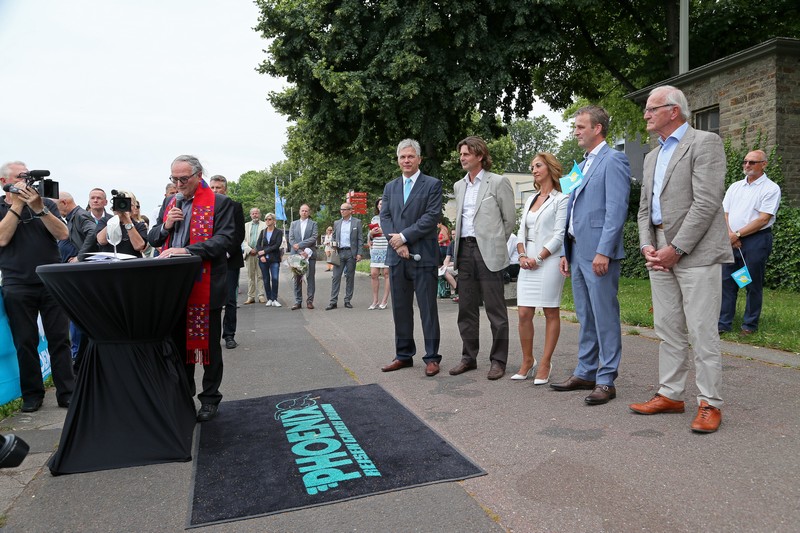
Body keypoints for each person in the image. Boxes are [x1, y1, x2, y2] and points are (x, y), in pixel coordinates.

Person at [629, 85, 732, 434]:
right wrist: (648, 245)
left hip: (696, 253)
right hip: (659, 251)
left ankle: (709, 403)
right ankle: (671, 394)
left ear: (673, 110)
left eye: (651, 108)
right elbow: (645, 209)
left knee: (702, 331)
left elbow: (706, 202)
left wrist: (678, 249)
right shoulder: (651, 156)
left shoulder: (705, 143)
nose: (645, 114)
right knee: (668, 328)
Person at [550, 105, 631, 405]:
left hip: (598, 254)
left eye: (581, 126)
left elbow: (616, 210)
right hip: (576, 250)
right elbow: (571, 211)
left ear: (597, 128)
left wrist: (603, 251)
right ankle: (585, 372)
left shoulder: (614, 160)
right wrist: (564, 251)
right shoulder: (581, 165)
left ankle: (606, 380)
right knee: (585, 315)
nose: (576, 132)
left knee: (604, 316)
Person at [148, 155, 235, 422]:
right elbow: (152, 238)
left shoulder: (220, 203)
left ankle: (209, 399)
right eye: (173, 179)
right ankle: (184, 397)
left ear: (199, 175)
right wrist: (166, 225)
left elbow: (224, 240)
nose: (178, 184)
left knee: (208, 348)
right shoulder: (169, 202)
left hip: (204, 286)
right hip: (174, 290)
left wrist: (186, 250)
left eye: (183, 179)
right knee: (178, 347)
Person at [0, 161, 75, 412]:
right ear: (4, 182)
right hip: (16, 283)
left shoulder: (46, 204)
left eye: (27, 176)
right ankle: (32, 395)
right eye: (20, 177)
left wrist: (39, 208)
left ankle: (67, 392)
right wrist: (18, 206)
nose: (27, 181)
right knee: (25, 341)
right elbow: (2, 238)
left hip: (50, 282)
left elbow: (63, 234)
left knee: (59, 340)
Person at [449, 136, 516, 380]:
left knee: (495, 309)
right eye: (461, 154)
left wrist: (494, 242)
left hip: (488, 252)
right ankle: (468, 357)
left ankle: (498, 361)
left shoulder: (498, 182)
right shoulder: (459, 186)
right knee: (466, 308)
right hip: (464, 251)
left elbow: (509, 220)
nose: (462, 158)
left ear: (479, 155)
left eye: (466, 154)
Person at [379, 139, 443, 377]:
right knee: (401, 309)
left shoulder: (432, 185)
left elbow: (431, 217)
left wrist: (404, 237)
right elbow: (384, 218)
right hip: (397, 258)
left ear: (419, 159)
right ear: (398, 160)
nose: (406, 161)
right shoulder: (390, 187)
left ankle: (432, 357)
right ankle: (404, 355)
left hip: (423, 256)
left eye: (410, 157)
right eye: (402, 157)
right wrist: (397, 244)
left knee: (427, 308)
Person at [512, 153, 569, 384]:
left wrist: (540, 257)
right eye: (532, 166)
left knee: (550, 311)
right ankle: (528, 361)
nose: (533, 170)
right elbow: (520, 231)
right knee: (524, 312)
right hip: (527, 260)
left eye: (538, 165)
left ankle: (545, 362)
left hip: (550, 260)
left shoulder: (561, 199)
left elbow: (559, 234)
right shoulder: (530, 199)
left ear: (550, 167)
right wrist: (523, 254)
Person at [718, 150, 781, 335]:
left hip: (755, 241)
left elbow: (763, 219)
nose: (747, 165)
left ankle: (749, 325)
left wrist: (737, 234)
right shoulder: (735, 186)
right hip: (732, 240)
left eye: (752, 162)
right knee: (727, 282)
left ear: (764, 164)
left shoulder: (770, 188)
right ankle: (723, 323)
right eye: (745, 161)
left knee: (750, 283)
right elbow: (725, 213)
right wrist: (731, 235)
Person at [209, 175, 246, 349]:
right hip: (209, 258)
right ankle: (210, 335)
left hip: (230, 259)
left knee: (230, 299)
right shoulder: (204, 207)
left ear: (225, 189)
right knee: (209, 298)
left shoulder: (235, 207)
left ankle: (229, 335)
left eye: (218, 188)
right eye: (213, 188)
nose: (215, 191)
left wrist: (225, 253)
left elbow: (239, 234)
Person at [326, 202, 363, 310]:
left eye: (344, 209)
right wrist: (333, 244)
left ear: (350, 210)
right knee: (336, 277)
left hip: (351, 253)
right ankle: (333, 301)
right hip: (339, 252)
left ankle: (347, 300)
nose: (342, 211)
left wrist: (359, 253)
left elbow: (360, 239)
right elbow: (333, 237)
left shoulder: (357, 222)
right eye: (341, 209)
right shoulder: (337, 223)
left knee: (350, 277)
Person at [95, 190, 148, 257]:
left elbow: (139, 246)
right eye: (120, 204)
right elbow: (101, 241)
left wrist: (127, 221)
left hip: (131, 264)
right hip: (109, 263)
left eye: (129, 205)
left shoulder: (140, 226)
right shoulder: (105, 221)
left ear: (134, 207)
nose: (124, 207)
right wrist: (116, 219)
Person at [288, 204, 318, 310]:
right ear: (299, 212)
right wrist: (300, 251)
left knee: (310, 278)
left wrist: (301, 246)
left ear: (309, 212)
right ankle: (298, 301)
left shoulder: (313, 224)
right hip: (296, 255)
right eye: (302, 210)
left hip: (310, 255)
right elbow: (291, 239)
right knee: (297, 278)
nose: (304, 212)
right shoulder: (293, 224)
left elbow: (314, 237)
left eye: (306, 211)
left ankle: (310, 301)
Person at [56, 192, 97, 263]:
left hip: (80, 267)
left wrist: (79, 257)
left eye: (56, 206)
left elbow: (93, 232)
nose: (56, 210)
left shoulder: (80, 215)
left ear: (64, 203)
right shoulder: (73, 216)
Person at [257, 212, 284, 307]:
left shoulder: (279, 232)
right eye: (266, 219)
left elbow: (276, 245)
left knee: (275, 278)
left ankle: (274, 298)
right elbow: (258, 245)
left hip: (274, 259)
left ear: (274, 221)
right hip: (263, 260)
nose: (267, 221)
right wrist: (261, 256)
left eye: (269, 219)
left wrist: (264, 251)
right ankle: (269, 298)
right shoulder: (263, 232)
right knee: (266, 279)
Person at [368, 198, 390, 310]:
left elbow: (392, 230)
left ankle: (384, 300)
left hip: (387, 247)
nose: (381, 205)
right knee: (374, 274)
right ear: (377, 206)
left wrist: (382, 230)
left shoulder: (391, 217)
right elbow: (370, 235)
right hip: (376, 248)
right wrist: (371, 233)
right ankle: (375, 300)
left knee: (387, 274)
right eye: (380, 204)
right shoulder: (374, 218)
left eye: (383, 203)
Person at [242, 208, 267, 304]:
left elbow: (265, 240)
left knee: (260, 275)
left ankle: (261, 295)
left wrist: (257, 249)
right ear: (250, 215)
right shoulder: (246, 225)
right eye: (253, 213)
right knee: (250, 276)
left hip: (260, 253)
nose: (255, 215)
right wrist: (249, 249)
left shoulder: (264, 225)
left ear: (260, 215)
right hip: (249, 253)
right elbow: (242, 240)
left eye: (256, 213)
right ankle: (251, 297)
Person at [440, 228, 458, 301]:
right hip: (452, 265)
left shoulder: (462, 244)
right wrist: (445, 265)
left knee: (446, 271)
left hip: (459, 265)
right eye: (452, 234)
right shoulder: (451, 244)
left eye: (455, 234)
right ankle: (455, 291)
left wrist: (452, 263)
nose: (453, 236)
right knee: (444, 270)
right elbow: (447, 257)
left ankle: (457, 291)